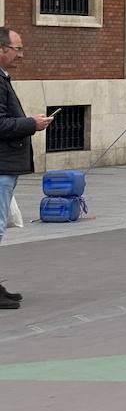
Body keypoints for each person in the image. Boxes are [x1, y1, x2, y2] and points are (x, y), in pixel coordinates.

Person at [0, 27, 54, 309]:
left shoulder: (3, 79)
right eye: (17, 48)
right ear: (1, 49)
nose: (20, 55)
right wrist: (31, 124)